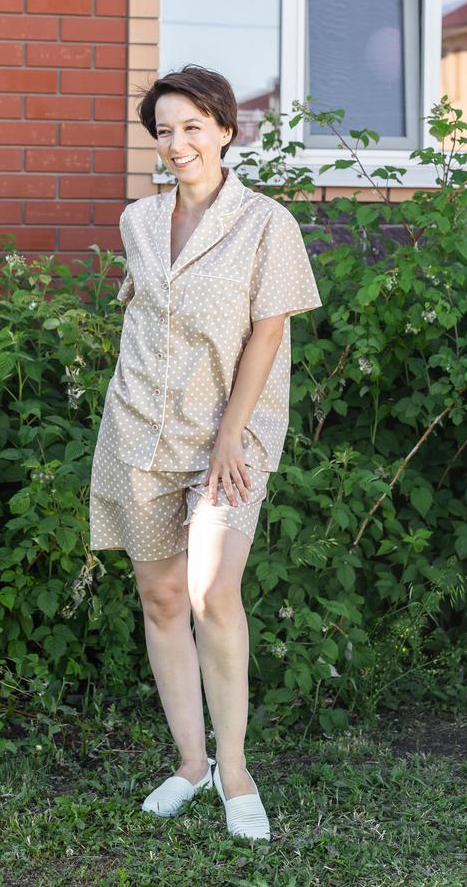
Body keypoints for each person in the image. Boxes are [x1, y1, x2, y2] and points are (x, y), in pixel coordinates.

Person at [89, 64, 323, 842]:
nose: (178, 142)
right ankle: (191, 763)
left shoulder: (266, 223)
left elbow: (269, 330)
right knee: (160, 599)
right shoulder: (137, 222)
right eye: (165, 129)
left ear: (226, 130)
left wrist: (230, 433)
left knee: (212, 591)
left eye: (193, 126)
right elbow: (144, 320)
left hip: (230, 437)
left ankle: (237, 769)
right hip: (138, 431)